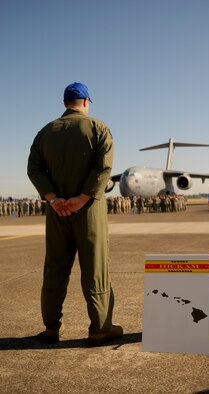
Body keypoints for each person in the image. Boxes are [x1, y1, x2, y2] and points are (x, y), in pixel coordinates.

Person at [27, 82, 123, 345]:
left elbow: (34, 169)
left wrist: (54, 199)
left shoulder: (45, 133)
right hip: (89, 210)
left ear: (65, 103)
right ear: (85, 101)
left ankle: (51, 328)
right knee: (95, 268)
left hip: (57, 211)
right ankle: (100, 327)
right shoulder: (98, 128)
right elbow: (104, 168)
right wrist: (82, 198)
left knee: (55, 267)